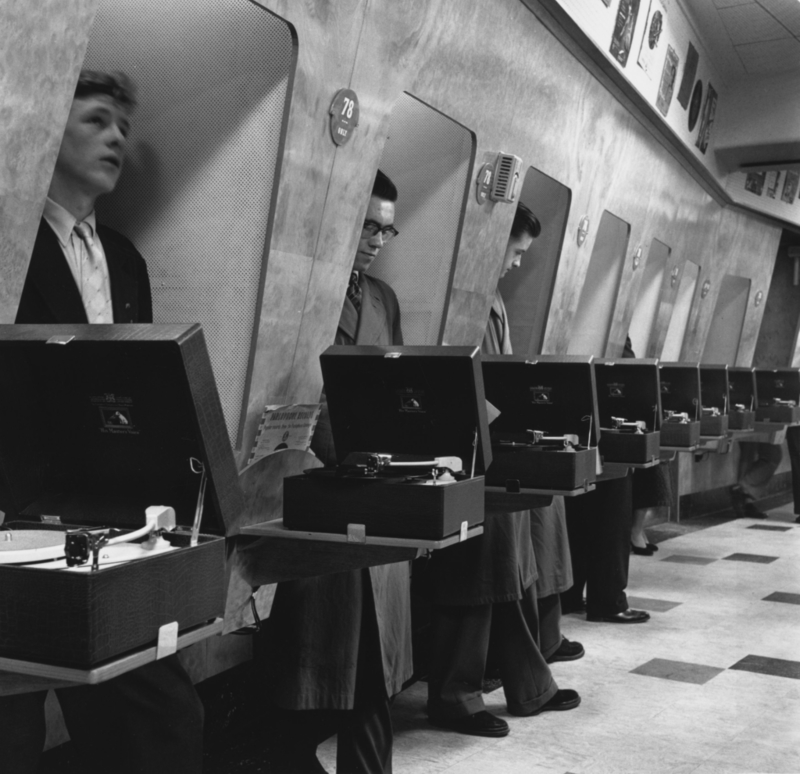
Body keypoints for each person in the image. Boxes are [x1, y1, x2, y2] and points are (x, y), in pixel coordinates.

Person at [6, 70, 204, 774]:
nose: (116, 138)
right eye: (96, 120)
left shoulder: (125, 260)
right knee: (12, 735)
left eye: (123, 126)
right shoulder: (9, 244)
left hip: (106, 521)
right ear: (47, 128)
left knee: (159, 720)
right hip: (13, 515)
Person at [261, 170, 409, 774]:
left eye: (386, 229)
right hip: (315, 486)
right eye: (367, 225)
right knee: (316, 655)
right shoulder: (301, 290)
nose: (376, 240)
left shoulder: (383, 300)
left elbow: (394, 387)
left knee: (370, 662)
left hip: (376, 486)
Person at [425, 203, 580, 741]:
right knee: (483, 569)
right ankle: (456, 694)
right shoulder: (463, 297)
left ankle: (526, 680)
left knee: (508, 565)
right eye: (515, 252)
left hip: (490, 444)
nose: (516, 264)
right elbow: (459, 379)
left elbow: (502, 378)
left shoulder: (491, 300)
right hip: (466, 450)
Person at [561, 336, 650, 624]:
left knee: (576, 514)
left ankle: (569, 595)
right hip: (605, 428)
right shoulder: (612, 324)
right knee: (613, 513)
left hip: (567, 419)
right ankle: (608, 601)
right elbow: (628, 372)